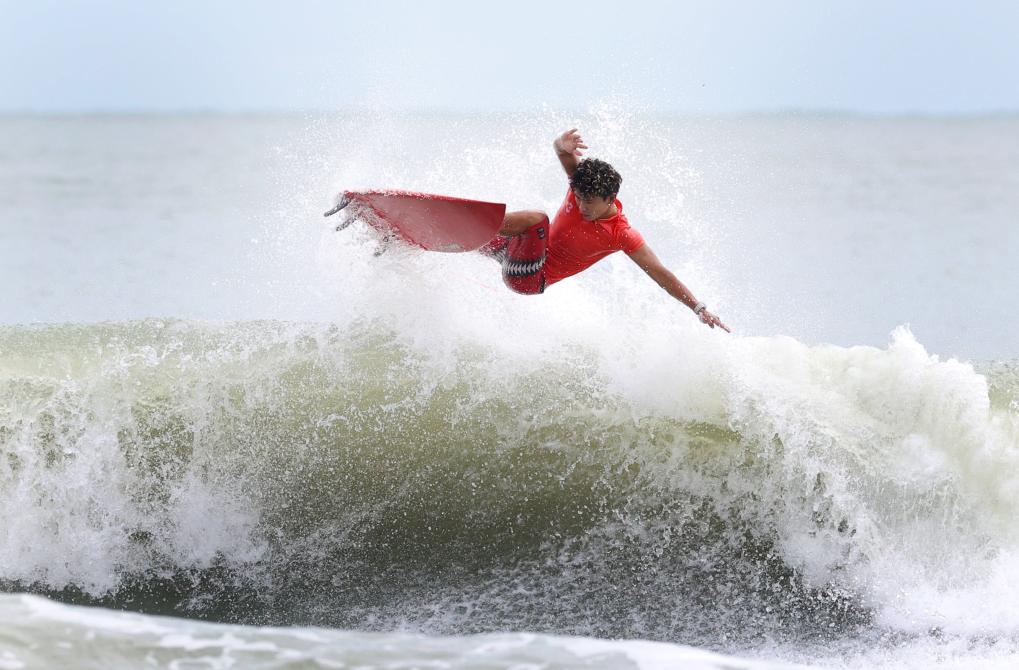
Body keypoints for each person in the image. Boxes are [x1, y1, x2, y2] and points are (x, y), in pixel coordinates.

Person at [480, 128, 730, 332]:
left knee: (537, 219)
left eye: (589, 202)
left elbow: (660, 273)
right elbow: (562, 152)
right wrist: (561, 143)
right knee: (507, 233)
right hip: (517, 251)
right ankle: (467, 235)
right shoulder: (580, 184)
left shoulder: (621, 234)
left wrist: (698, 308)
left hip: (529, 278)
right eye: (578, 198)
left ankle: (482, 227)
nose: (581, 206)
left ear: (610, 199)